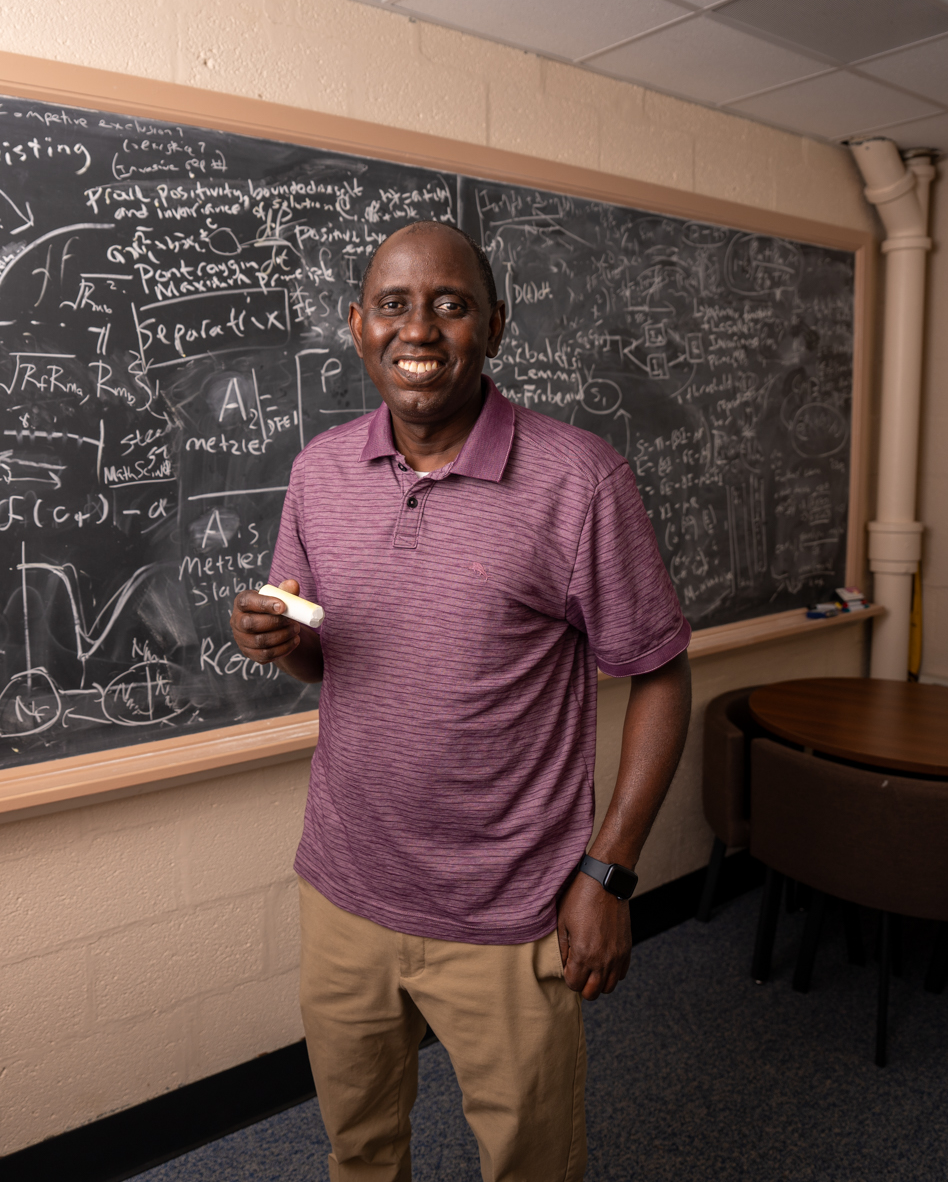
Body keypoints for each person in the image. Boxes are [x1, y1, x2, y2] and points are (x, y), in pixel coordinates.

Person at [232, 220, 692, 1182]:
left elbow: (660, 670)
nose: (420, 329)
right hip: (346, 890)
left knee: (528, 1164)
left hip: (511, 911)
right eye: (394, 304)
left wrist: (609, 873)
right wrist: (285, 643)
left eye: (450, 304)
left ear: (495, 324)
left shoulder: (580, 480)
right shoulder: (318, 472)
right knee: (358, 1149)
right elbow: (327, 658)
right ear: (358, 325)